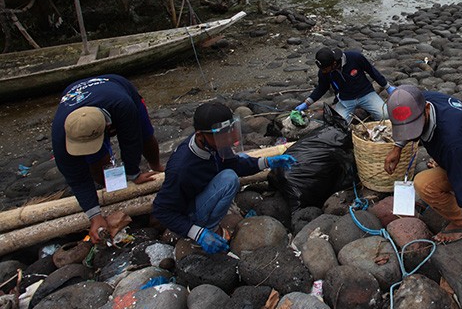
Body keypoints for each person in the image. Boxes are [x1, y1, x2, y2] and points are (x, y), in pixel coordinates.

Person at [383, 85, 462, 298]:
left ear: (427, 111)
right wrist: (397, 147)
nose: (411, 135)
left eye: (414, 128)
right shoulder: (422, 98)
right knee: (440, 174)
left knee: (425, 184)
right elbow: (406, 119)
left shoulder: (452, 142)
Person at [152, 102, 296, 254]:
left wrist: (266, 162)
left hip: (201, 193)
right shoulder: (182, 169)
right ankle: (208, 227)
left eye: (230, 130)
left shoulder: (214, 143)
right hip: (188, 212)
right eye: (222, 133)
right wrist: (197, 233)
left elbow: (233, 163)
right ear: (200, 136)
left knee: (230, 173)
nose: (228, 138)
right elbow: (162, 210)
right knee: (229, 178)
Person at [52, 75, 164, 243]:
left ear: (108, 126)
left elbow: (132, 140)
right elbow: (76, 178)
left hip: (117, 88)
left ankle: (157, 166)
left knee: (145, 134)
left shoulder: (123, 106)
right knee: (95, 159)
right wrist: (94, 216)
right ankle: (111, 188)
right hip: (78, 97)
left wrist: (134, 173)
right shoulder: (60, 135)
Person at [294, 47, 395, 122]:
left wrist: (388, 87)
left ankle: (370, 112)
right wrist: (307, 103)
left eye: (325, 69)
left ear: (334, 63)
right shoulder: (324, 72)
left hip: (366, 94)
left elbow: (372, 71)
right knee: (339, 124)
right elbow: (322, 87)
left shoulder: (355, 57)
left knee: (385, 116)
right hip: (345, 100)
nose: (323, 71)